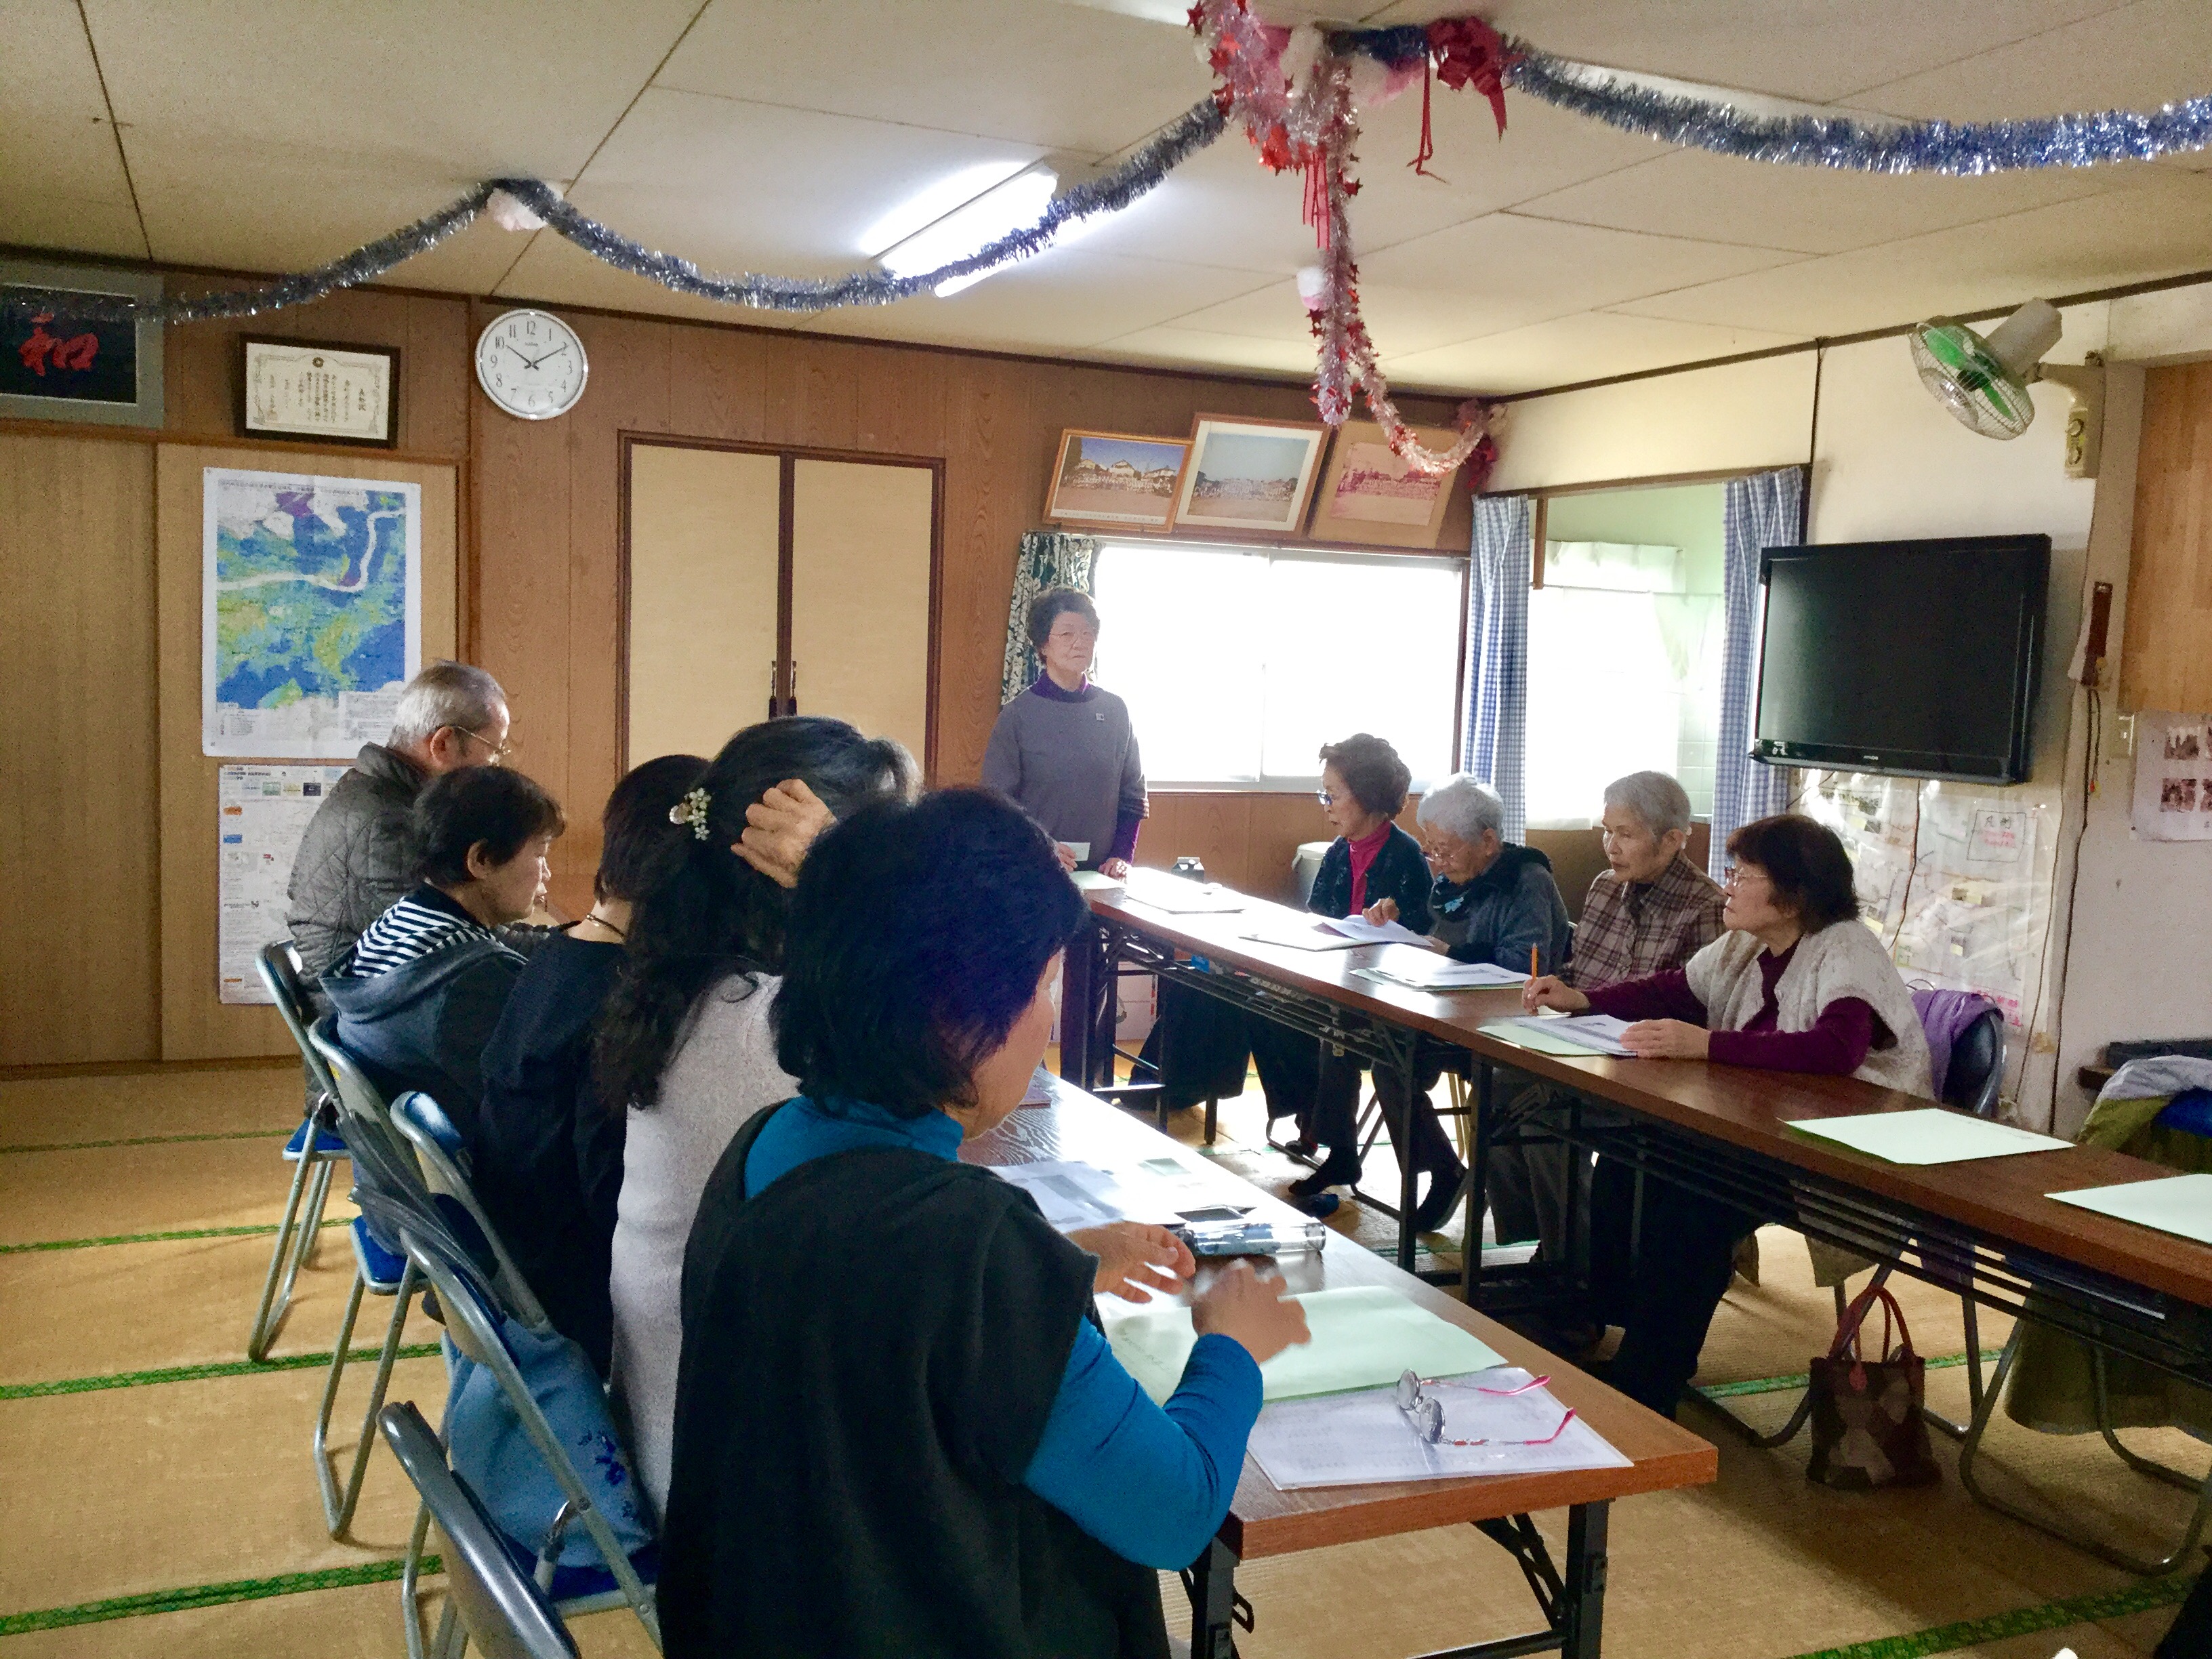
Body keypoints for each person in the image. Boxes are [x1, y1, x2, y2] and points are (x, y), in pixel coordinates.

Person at [657, 789, 1311, 1659]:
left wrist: (1055, 1263)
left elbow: (870, 1315)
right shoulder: (973, 1250)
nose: (1048, 1020)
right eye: (1044, 987)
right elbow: (1175, 1515)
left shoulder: (765, 1147)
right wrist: (1232, 1346)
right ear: (955, 1018)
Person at [597, 716, 918, 1518]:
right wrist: (845, 889)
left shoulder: (693, 987)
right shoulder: (772, 1032)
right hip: (742, 1495)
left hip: (680, 1426)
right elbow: (959, 1043)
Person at [1521, 813, 1933, 1418]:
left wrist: (1707, 1044)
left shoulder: (1845, 946)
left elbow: (1836, 1050)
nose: (1728, 886)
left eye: (1743, 875)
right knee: (1629, 1160)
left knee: (1694, 1204)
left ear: (1794, 893)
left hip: (1839, 1154)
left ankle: (1650, 1380)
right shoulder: (1748, 942)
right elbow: (1674, 989)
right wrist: (1582, 999)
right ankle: (1607, 1321)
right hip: (1759, 1132)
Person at [469, 753, 707, 1378]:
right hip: (572, 1296)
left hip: (516, 1259)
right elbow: (615, 1199)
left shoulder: (561, 952)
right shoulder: (619, 996)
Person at [1483, 771, 1723, 1269]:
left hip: (1649, 1068)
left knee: (1546, 1113)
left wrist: (1588, 1005)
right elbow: (1581, 974)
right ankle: (1542, 1243)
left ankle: (1571, 1269)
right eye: (1607, 831)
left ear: (1673, 840)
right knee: (1495, 1084)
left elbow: (1698, 1009)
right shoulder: (1604, 887)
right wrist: (1552, 987)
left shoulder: (1708, 907)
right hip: (1583, 1044)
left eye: (1626, 835)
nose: (1611, 847)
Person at [323, 765, 564, 1145]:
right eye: (540, 854)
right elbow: (539, 1105)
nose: (547, 873)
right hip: (476, 1168)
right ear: (481, 860)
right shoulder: (472, 978)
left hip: (405, 1169)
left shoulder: (402, 919)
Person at [1286, 735, 1454, 1219]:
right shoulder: (1340, 850)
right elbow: (1318, 914)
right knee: (1268, 1005)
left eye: (1333, 794)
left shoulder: (1406, 856)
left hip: (1397, 994)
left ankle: (1436, 1168)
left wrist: (1392, 921)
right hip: (1344, 980)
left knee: (1348, 1036)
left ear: (1367, 797)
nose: (1326, 805)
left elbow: (1427, 933)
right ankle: (1332, 1143)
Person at [287, 661, 512, 983]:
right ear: (443, 744)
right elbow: (460, 934)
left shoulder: (379, 794)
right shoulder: (388, 821)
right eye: (494, 751)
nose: (493, 767)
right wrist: (569, 942)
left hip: (374, 989)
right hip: (360, 1002)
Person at [981, 588, 1146, 877]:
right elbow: (998, 806)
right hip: (1036, 871)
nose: (1079, 643)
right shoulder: (1017, 715)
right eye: (1067, 634)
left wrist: (1122, 855)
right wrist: (1040, 847)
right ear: (1043, 645)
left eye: (1087, 633)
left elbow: (1133, 796)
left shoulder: (1116, 711)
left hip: (1102, 876)